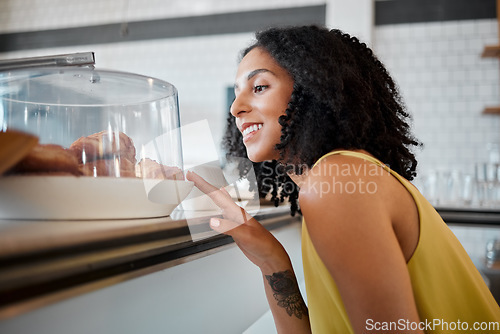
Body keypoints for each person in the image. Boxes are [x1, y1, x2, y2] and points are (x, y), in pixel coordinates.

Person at [186, 25, 500, 333]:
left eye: (259, 87)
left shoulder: (335, 184)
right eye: (238, 91)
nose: (235, 107)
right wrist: (272, 260)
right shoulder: (335, 181)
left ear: (311, 90)